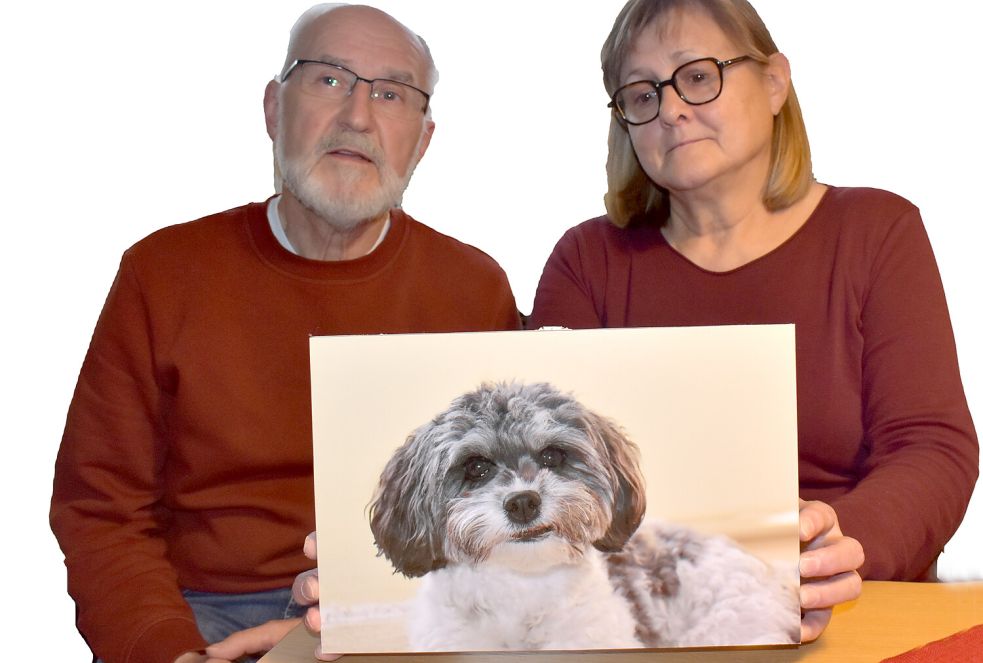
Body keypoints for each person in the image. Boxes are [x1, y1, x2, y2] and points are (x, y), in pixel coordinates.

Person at [49, 4, 521, 663]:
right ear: (273, 109)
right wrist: (168, 650)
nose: (357, 115)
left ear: (422, 138)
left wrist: (363, 623)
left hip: (403, 608)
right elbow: (100, 509)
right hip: (201, 607)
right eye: (328, 79)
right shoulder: (160, 274)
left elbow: (500, 514)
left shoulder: (475, 288)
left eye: (391, 93)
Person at [529, 0, 977, 642]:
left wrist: (830, 549)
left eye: (698, 75)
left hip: (855, 605)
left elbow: (932, 449)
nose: (673, 108)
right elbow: (554, 469)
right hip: (640, 614)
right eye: (641, 93)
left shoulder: (878, 232)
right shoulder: (586, 261)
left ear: (774, 82)